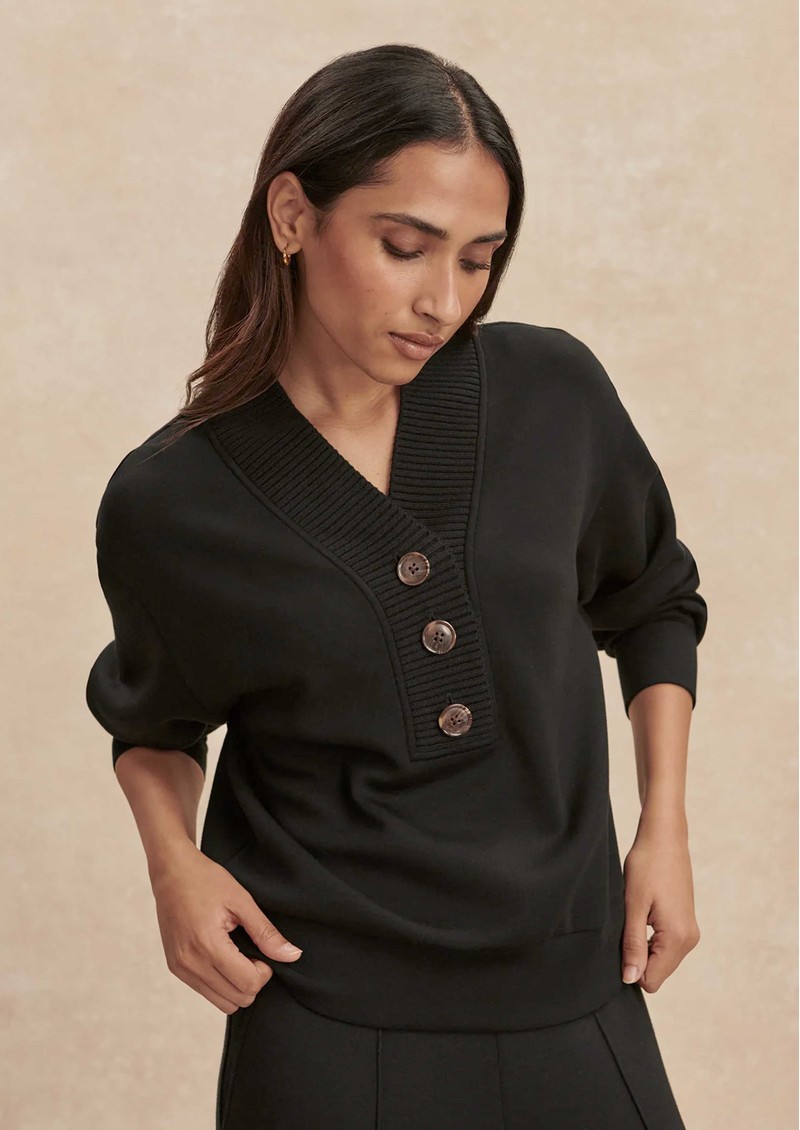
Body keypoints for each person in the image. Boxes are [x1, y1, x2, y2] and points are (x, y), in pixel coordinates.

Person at [85, 43, 708, 1130]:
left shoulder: (552, 393)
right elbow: (154, 721)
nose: (442, 299)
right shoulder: (172, 499)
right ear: (292, 216)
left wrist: (665, 827)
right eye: (404, 247)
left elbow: (651, 598)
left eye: (478, 259)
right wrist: (173, 867)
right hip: (323, 1020)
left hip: (576, 979)